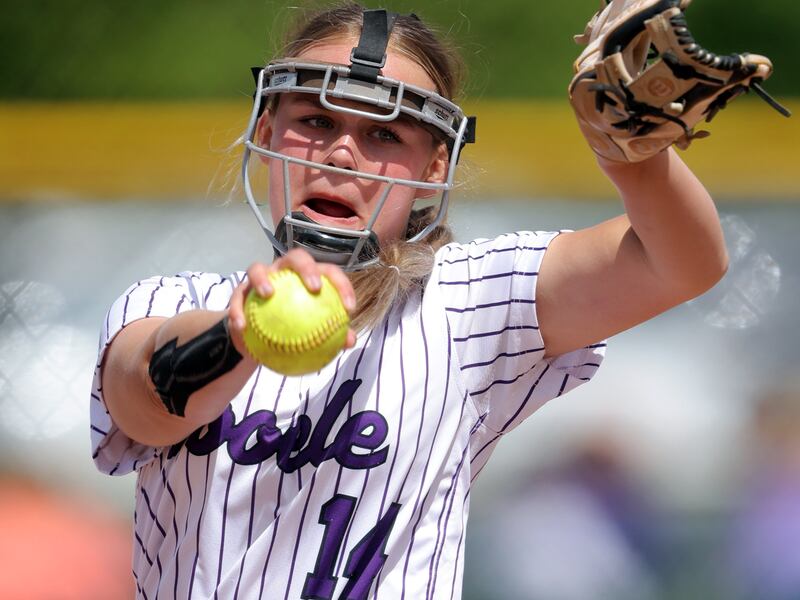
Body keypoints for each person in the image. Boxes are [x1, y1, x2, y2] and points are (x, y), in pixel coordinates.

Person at [90, 3, 729, 598]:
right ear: (267, 130)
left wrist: (637, 161)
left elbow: (682, 265)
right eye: (316, 121)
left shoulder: (464, 304)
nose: (343, 152)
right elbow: (147, 403)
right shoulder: (170, 298)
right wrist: (238, 337)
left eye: (385, 135)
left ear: (433, 170)